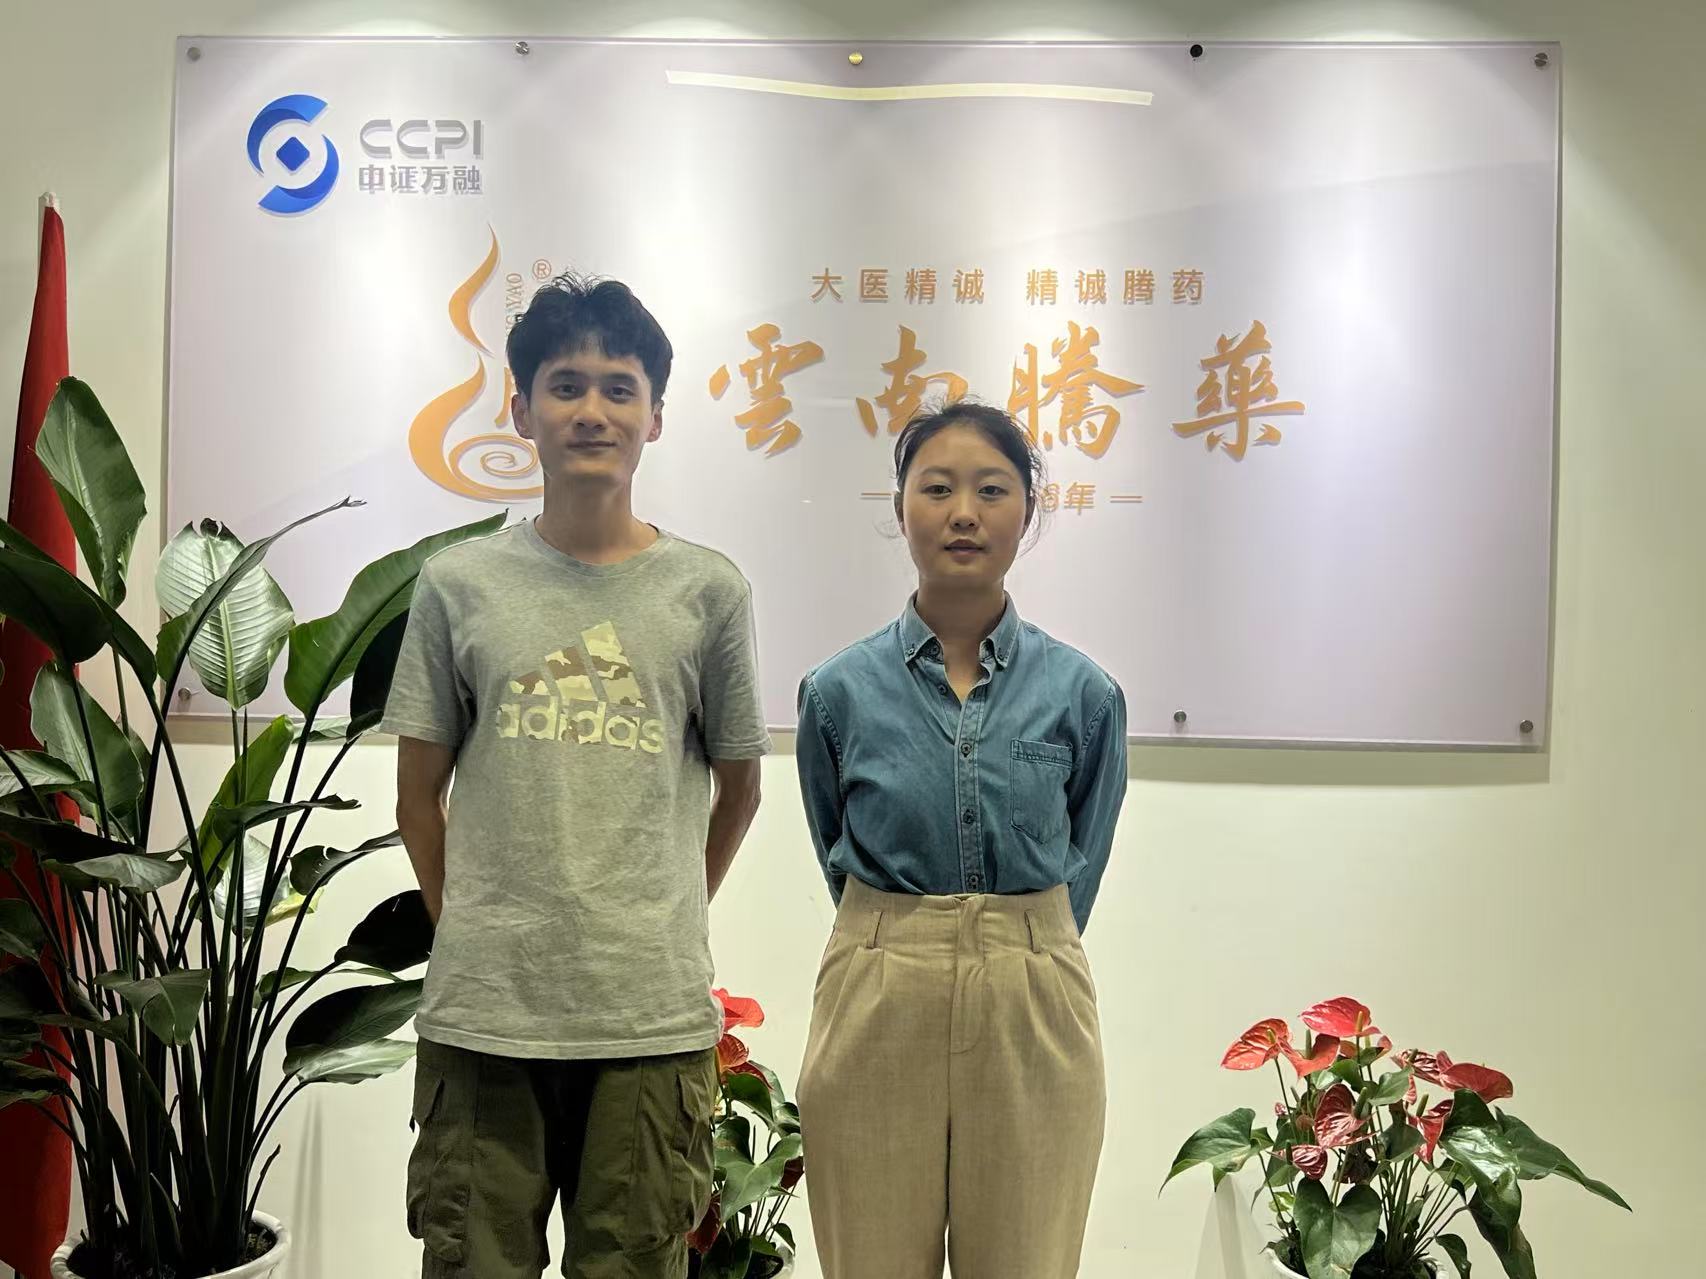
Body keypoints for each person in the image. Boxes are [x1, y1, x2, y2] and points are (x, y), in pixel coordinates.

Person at [383, 275, 770, 1279]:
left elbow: (740, 789)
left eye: (617, 387)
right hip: (486, 1019)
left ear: (655, 415)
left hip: (647, 1020)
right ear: (520, 409)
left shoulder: (708, 592)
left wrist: (663, 911)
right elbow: (417, 794)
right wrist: (469, 921)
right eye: (565, 386)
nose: (591, 410)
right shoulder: (458, 585)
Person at [794, 402, 1127, 1278]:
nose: (964, 513)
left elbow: (1083, 858)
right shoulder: (837, 692)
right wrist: (898, 937)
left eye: (992, 490)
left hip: (1033, 996)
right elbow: (834, 846)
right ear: (901, 505)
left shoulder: (1084, 694)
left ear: (1029, 508)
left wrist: (1025, 941)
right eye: (937, 488)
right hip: (877, 988)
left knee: (1027, 1260)